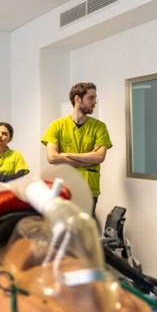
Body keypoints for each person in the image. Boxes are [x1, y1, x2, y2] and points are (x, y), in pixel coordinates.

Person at [41, 82, 112, 215]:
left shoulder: (99, 127)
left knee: (85, 225)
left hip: (89, 188)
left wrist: (66, 155)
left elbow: (99, 156)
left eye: (95, 98)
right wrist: (87, 159)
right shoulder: (56, 126)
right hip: (64, 187)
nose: (94, 102)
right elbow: (52, 157)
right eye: (91, 98)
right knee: (63, 224)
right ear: (77, 99)